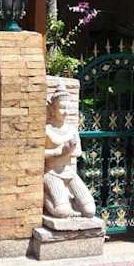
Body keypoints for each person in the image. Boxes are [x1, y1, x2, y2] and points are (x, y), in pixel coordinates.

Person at [43, 83, 96, 218]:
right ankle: (45, 198)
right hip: (52, 173)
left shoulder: (71, 130)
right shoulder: (47, 130)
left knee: (90, 210)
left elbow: (77, 152)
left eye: (67, 108)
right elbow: (38, 154)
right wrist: (58, 152)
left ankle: (70, 200)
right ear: (52, 109)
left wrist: (68, 150)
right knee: (62, 212)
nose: (65, 112)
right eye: (62, 108)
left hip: (69, 172)